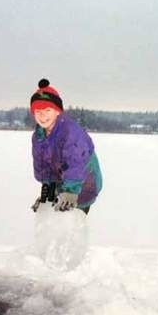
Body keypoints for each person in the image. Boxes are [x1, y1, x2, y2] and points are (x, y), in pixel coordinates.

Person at [29, 78, 102, 214]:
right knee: (54, 220)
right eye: (38, 111)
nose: (42, 115)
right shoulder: (38, 137)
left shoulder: (70, 132)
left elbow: (76, 163)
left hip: (85, 184)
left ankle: (77, 227)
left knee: (72, 222)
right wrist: (48, 191)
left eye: (47, 110)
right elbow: (43, 167)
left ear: (58, 111)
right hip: (63, 183)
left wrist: (71, 191)